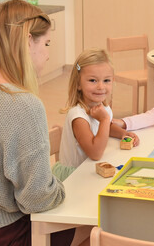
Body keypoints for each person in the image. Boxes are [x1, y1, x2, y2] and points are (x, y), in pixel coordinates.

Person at [0, 0, 77, 246]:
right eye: (45, 44)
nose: (47, 54)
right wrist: (59, 185)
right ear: (27, 42)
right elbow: (37, 199)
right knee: (91, 227)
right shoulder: (24, 106)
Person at [52, 49, 139, 181]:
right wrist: (104, 119)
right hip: (74, 178)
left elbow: (107, 127)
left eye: (106, 80)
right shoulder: (78, 116)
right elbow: (95, 153)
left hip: (90, 170)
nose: (100, 86)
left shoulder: (103, 108)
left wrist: (122, 133)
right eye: (93, 80)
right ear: (78, 84)